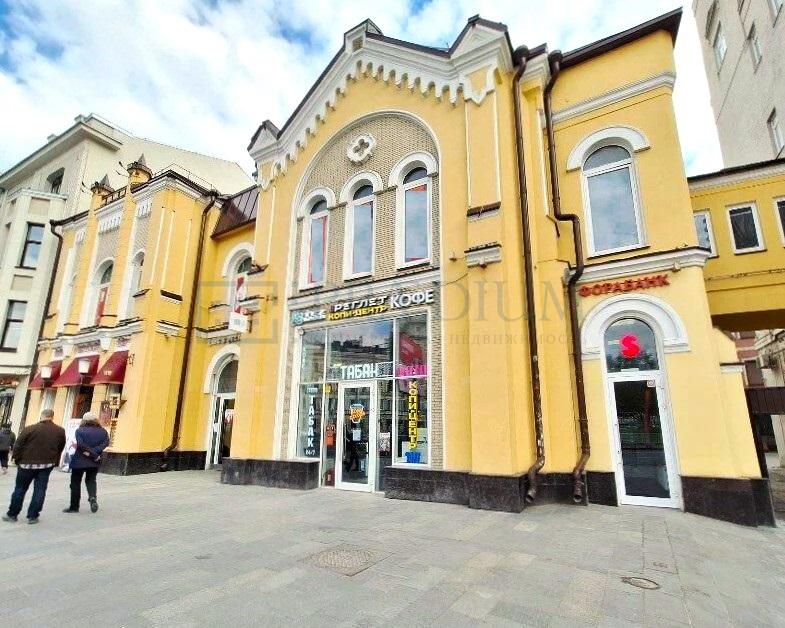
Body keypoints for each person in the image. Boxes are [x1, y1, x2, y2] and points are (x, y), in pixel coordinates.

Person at [2, 409, 65, 524]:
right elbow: (60, 446)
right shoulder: (60, 431)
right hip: (46, 464)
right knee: (40, 489)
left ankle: (12, 514)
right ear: (52, 417)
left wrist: (17, 459)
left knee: (20, 489)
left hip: (26, 464)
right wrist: (54, 460)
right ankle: (33, 516)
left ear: (42, 416)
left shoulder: (29, 429)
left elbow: (18, 445)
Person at [63, 412, 109, 514]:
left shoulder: (79, 431)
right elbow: (105, 443)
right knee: (91, 480)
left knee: (75, 483)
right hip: (94, 461)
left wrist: (90, 453)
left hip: (79, 460)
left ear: (84, 420)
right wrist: (95, 454)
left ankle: (74, 507)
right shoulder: (103, 432)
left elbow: (81, 445)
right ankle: (92, 498)